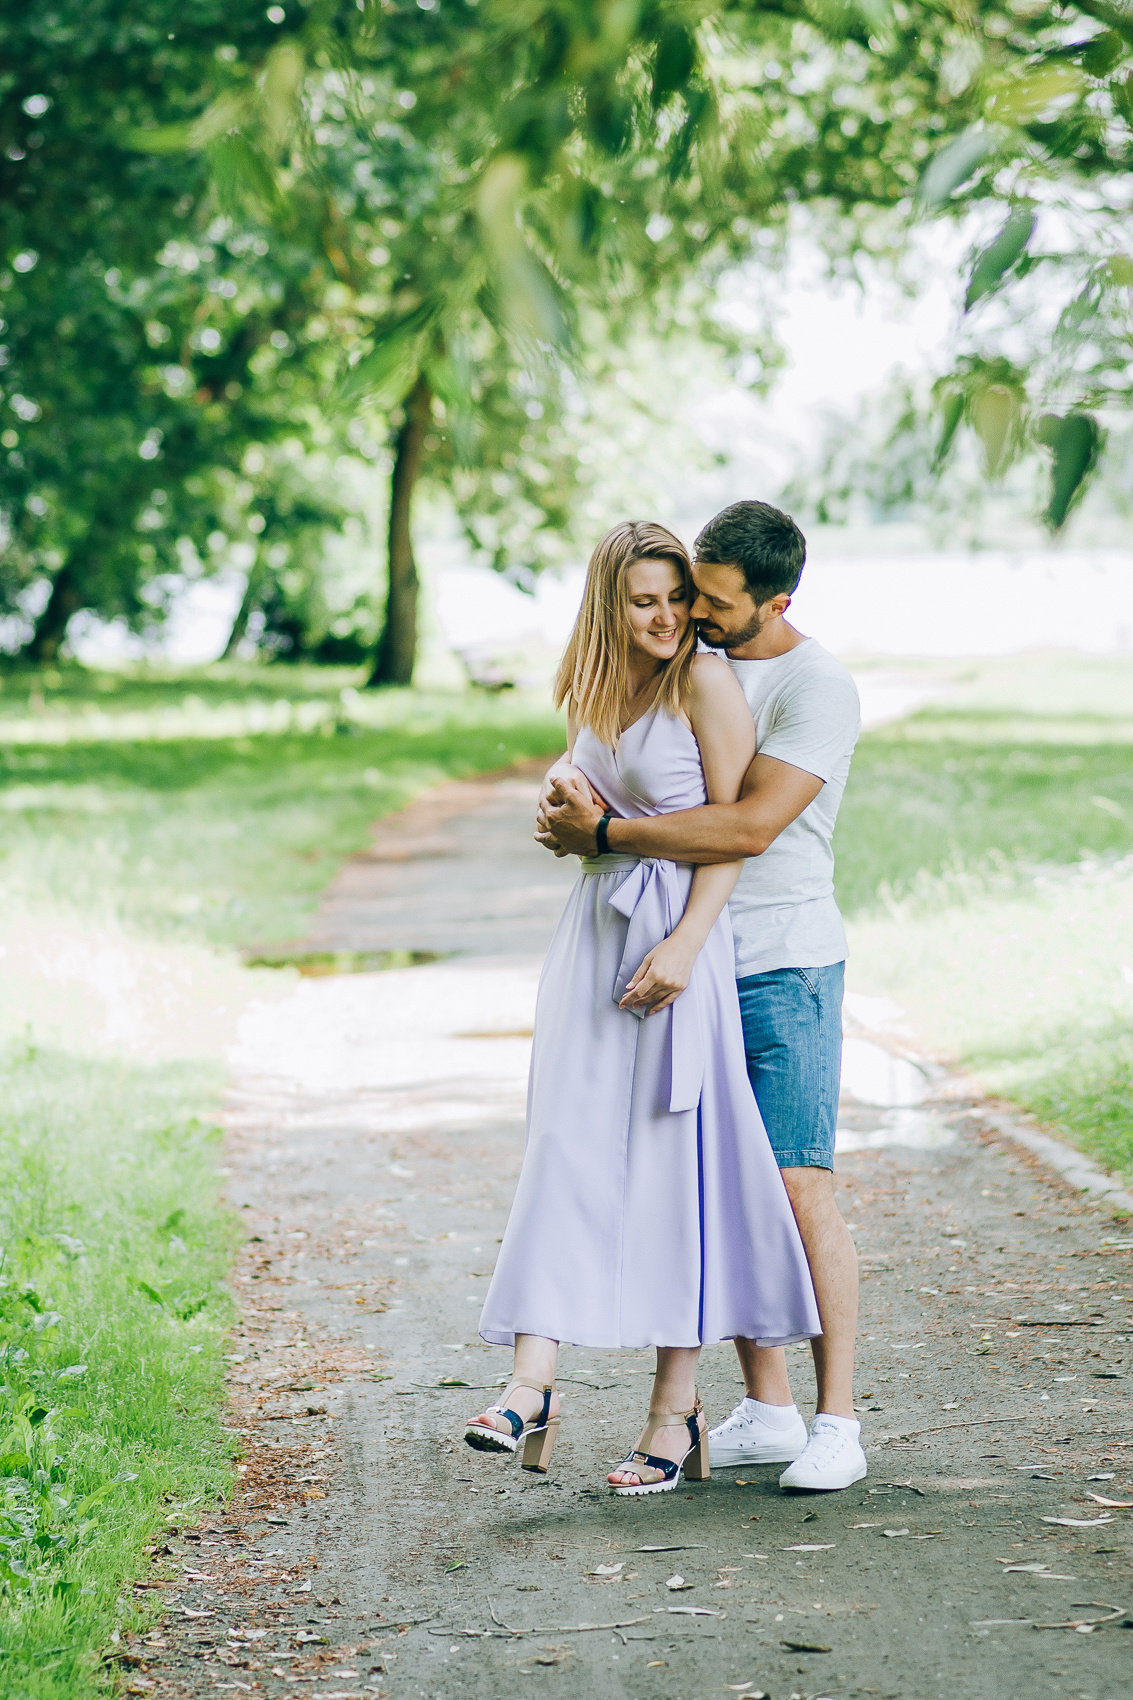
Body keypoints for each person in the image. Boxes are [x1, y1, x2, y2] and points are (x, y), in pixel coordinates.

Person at [465, 519, 820, 1495]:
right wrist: (557, 799)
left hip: (676, 940)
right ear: (607, 603)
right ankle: (529, 1380)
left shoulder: (703, 680)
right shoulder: (587, 684)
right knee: (563, 1148)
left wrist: (684, 946)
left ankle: (675, 1411)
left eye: (676, 597)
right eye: (643, 600)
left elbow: (732, 834)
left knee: (674, 1171)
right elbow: (587, 799)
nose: (667, 617)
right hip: (589, 939)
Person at [538, 500, 865, 1493]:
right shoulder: (678, 660)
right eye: (687, 592)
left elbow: (743, 827)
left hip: (781, 957)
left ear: (776, 599)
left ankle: (836, 1418)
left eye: (712, 601)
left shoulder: (814, 685)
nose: (695, 614)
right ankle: (763, 1404)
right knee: (720, 1181)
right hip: (709, 960)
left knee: (796, 1185)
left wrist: (603, 839)